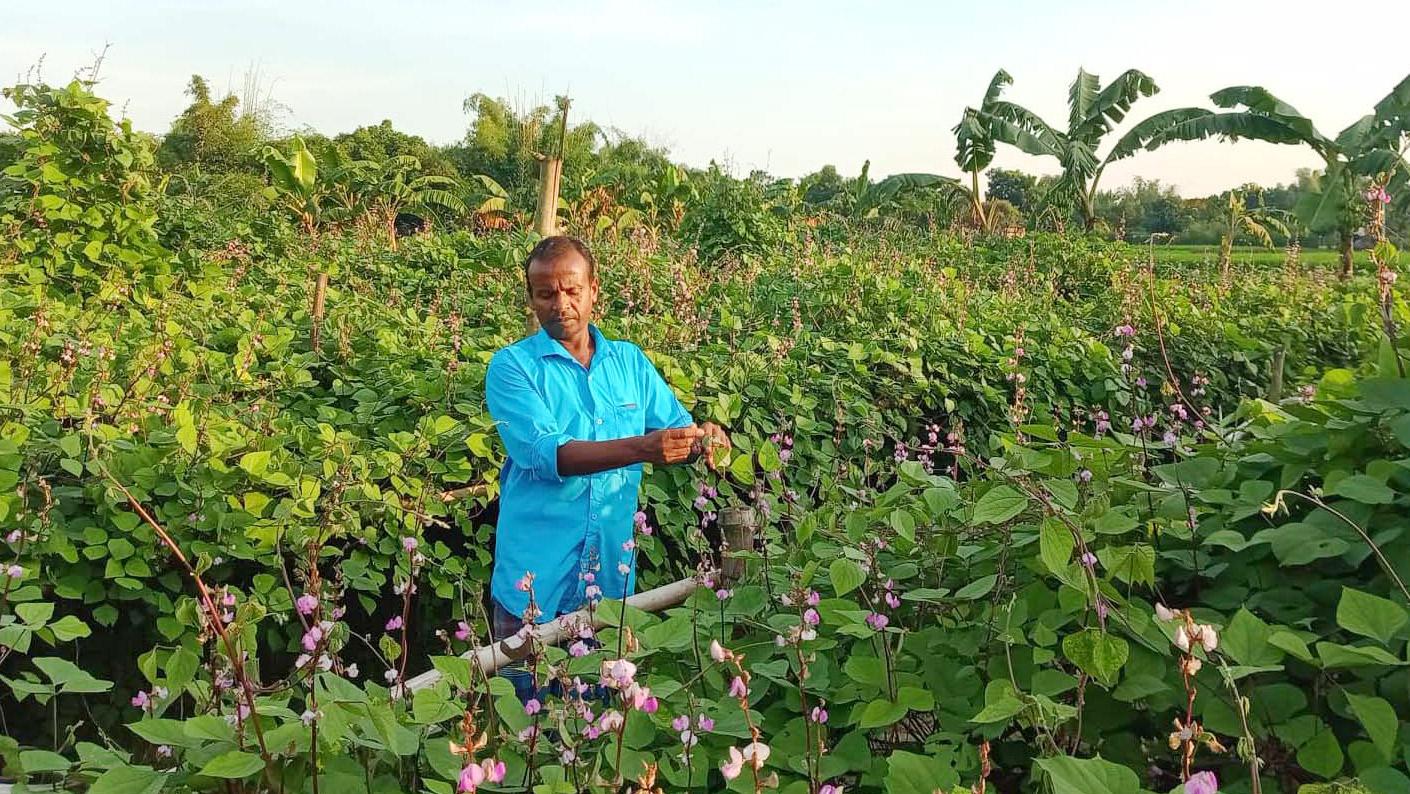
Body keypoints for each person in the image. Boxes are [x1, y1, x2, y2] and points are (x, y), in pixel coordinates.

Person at [484, 235, 730, 701]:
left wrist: (704, 440)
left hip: (611, 588)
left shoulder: (629, 363)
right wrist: (643, 447)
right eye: (546, 294)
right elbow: (548, 454)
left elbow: (677, 430)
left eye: (573, 290)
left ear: (595, 290)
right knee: (530, 736)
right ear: (531, 299)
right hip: (534, 588)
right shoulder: (512, 368)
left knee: (603, 733)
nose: (561, 304)